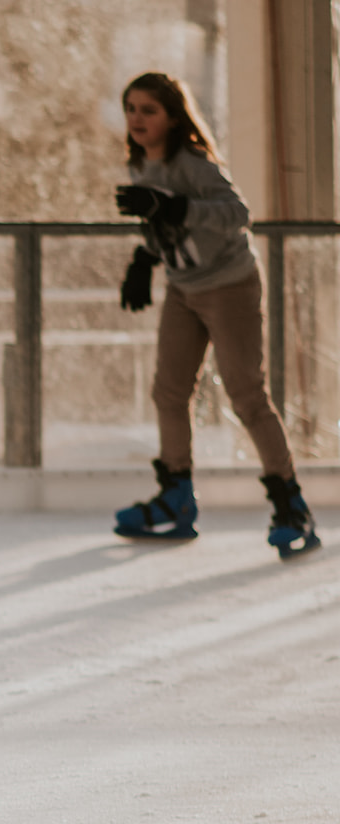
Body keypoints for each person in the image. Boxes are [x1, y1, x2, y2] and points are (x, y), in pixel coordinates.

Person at [112, 71, 320, 558]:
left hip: (229, 287)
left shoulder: (194, 164)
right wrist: (145, 258)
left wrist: (175, 207)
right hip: (184, 289)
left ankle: (291, 505)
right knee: (168, 391)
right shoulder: (143, 163)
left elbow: (236, 214)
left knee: (247, 394)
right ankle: (176, 498)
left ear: (173, 117)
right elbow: (165, 224)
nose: (137, 119)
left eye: (149, 110)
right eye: (131, 108)